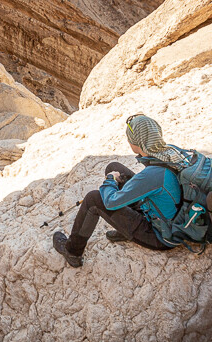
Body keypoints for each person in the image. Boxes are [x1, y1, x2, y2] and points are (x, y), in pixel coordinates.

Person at [51, 114, 188, 267]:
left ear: (137, 142)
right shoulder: (169, 154)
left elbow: (110, 202)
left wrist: (110, 180)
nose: (128, 141)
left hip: (160, 235)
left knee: (94, 199)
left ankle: (72, 251)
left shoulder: (152, 175)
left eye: (130, 138)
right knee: (114, 167)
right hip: (169, 214)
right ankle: (125, 229)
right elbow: (152, 181)